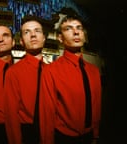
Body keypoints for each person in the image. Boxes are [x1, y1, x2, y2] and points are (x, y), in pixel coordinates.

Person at [39, 8, 102, 144]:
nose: (76, 32)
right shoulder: (51, 71)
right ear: (60, 38)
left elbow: (96, 106)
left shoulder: (94, 71)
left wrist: (95, 135)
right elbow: (47, 114)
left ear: (84, 35)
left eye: (79, 28)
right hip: (64, 138)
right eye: (68, 28)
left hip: (89, 136)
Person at [4, 15, 47, 144]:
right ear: (22, 41)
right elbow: (11, 115)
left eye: (37, 31)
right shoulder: (13, 72)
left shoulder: (53, 70)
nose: (33, 35)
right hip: (27, 133)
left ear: (44, 38)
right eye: (27, 32)